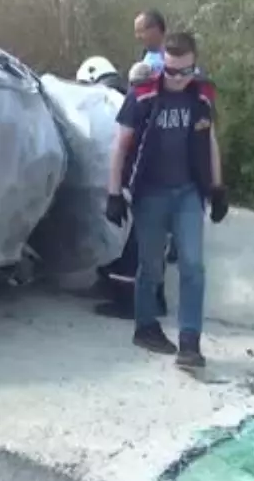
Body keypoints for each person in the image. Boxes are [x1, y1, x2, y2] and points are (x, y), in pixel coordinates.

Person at [105, 32, 229, 368]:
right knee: (151, 264)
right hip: (150, 194)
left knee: (192, 264)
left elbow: (210, 140)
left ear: (195, 64)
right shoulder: (143, 95)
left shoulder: (202, 94)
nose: (176, 78)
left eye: (184, 71)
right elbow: (121, 145)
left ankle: (190, 341)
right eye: (170, 71)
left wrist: (217, 188)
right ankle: (145, 326)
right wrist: (114, 194)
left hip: (189, 191)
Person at [73, 56, 166, 321]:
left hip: (144, 187)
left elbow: (120, 150)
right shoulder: (164, 104)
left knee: (131, 248)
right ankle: (156, 300)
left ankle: (127, 304)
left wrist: (116, 192)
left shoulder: (133, 103)